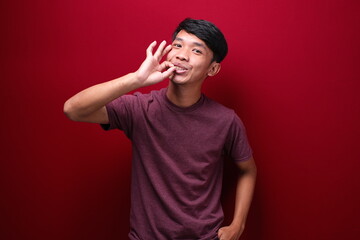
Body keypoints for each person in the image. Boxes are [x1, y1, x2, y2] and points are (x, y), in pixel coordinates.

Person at [64, 18, 257, 240]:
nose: (182, 55)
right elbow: (73, 109)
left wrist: (238, 225)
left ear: (213, 69)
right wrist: (137, 79)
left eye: (196, 50)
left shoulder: (226, 121)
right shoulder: (140, 109)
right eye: (177, 45)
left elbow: (248, 170)